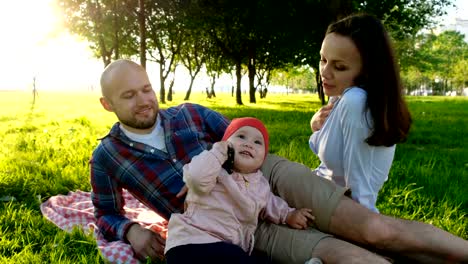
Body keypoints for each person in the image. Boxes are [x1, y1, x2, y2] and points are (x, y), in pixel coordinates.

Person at [91, 58, 468, 264]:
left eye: (146, 88)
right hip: (233, 225)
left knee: (375, 231)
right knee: (344, 255)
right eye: (129, 96)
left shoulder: (188, 113)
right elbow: (105, 213)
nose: (145, 101)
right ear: (108, 104)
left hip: (268, 173)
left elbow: (249, 135)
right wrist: (131, 231)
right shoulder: (108, 156)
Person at [164, 117, 315, 263]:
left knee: (259, 259)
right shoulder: (215, 169)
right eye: (241, 137)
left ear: (263, 157)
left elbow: (271, 203)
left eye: (257, 142)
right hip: (191, 241)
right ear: (226, 143)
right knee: (237, 258)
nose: (248, 144)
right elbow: (196, 178)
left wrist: (289, 214)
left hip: (225, 249)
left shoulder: (261, 185)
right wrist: (219, 151)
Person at [308, 13, 412, 212]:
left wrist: (361, 227)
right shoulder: (340, 95)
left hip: (327, 205)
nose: (325, 72)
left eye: (339, 67)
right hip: (317, 189)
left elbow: (361, 190)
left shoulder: (355, 101)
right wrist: (315, 126)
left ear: (367, 72)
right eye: (323, 59)